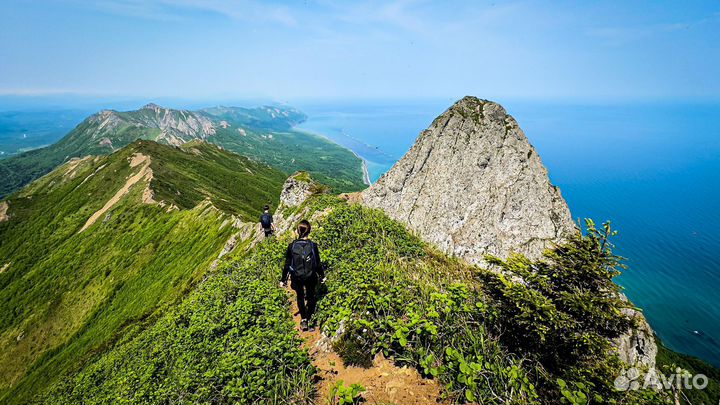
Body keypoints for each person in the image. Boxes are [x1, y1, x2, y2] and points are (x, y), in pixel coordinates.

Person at [281, 220, 325, 332]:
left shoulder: (292, 246)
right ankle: (310, 317)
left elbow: (287, 264)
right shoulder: (313, 245)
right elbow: (317, 263)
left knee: (300, 296)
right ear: (309, 231)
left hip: (297, 276)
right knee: (311, 296)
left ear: (297, 231)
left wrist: (283, 280)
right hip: (311, 276)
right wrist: (322, 275)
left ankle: (304, 320)